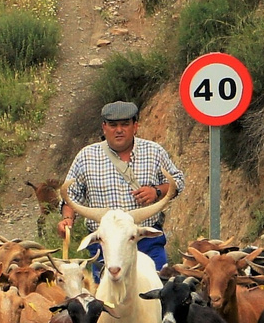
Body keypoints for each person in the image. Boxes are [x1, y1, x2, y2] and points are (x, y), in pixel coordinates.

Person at [56, 100, 185, 272]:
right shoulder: (86, 157)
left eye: (125, 124)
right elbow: (70, 195)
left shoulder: (154, 151)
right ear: (104, 127)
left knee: (158, 291)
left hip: (144, 241)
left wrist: (156, 191)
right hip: (104, 246)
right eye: (113, 125)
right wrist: (68, 220)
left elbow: (178, 181)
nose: (119, 130)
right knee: (105, 297)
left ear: (135, 126)